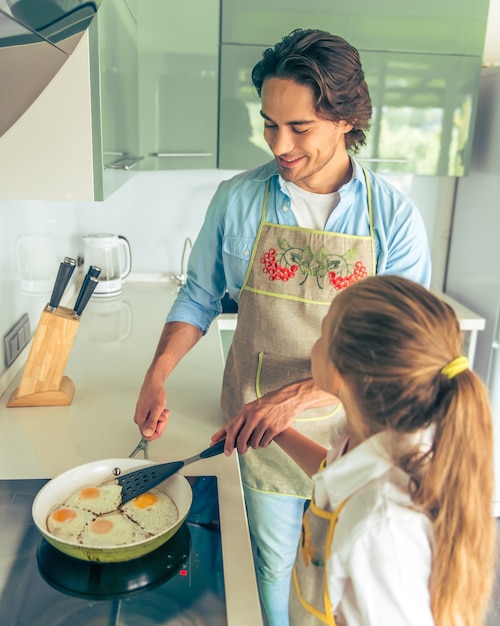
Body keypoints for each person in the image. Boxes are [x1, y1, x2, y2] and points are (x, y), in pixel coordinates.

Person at [134, 29, 431, 626]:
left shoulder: (392, 217)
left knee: (344, 576)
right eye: (270, 124)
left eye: (300, 128)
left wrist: (298, 396)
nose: (279, 144)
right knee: (269, 567)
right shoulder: (238, 199)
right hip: (257, 431)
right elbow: (199, 294)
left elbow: (402, 350)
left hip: (356, 437)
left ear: (345, 119)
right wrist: (158, 373)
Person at [250, 275, 494, 625]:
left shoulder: (383, 528)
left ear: (339, 373)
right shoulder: (372, 437)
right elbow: (335, 473)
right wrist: (277, 432)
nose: (314, 345)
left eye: (323, 333)